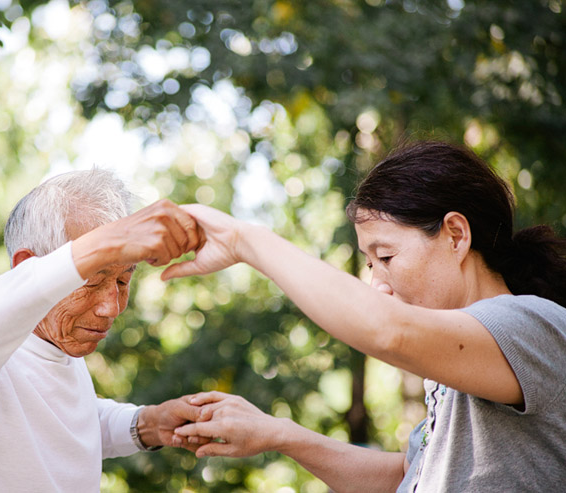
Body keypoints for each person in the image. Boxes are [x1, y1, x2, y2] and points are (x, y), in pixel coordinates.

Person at [164, 141, 566, 491]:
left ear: (456, 235)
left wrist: (242, 240)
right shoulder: (456, 369)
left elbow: (388, 331)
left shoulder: (529, 325)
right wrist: (277, 434)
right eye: (371, 264)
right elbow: (408, 477)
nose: (379, 285)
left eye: (386, 256)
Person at [0, 169, 203, 492]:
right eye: (92, 278)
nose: (112, 307)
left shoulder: (59, 346)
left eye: (122, 281)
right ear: (27, 267)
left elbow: (73, 419)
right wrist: (107, 243)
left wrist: (148, 424)